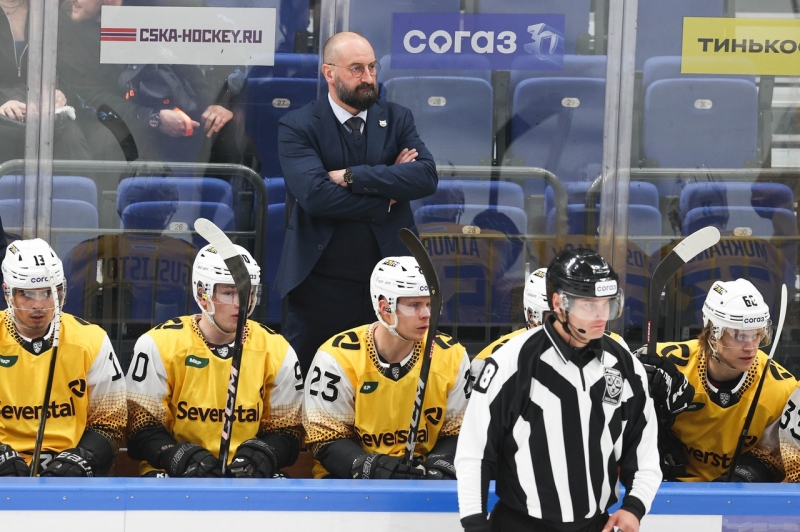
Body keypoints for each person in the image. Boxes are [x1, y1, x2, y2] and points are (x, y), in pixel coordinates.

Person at [455, 248, 661, 532]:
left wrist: (635, 506)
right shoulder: (510, 363)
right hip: (520, 525)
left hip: (595, 525)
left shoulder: (625, 365)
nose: (601, 315)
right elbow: (474, 452)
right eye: (588, 305)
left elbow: (644, 448)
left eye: (607, 304)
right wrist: (475, 524)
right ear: (558, 303)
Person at [276, 31, 437, 376]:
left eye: (372, 67)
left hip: (390, 281)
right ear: (329, 73)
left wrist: (352, 176)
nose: (368, 77)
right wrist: (388, 195)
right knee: (307, 379)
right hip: (319, 285)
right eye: (356, 69)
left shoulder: (397, 118)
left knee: (389, 379)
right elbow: (316, 196)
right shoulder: (298, 125)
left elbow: (425, 177)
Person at [125, 243, 304, 477]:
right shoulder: (158, 344)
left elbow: (288, 430)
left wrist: (263, 455)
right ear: (202, 294)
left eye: (248, 292)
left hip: (246, 475)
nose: (241, 303)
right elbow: (141, 428)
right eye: (229, 293)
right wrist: (178, 457)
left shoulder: (276, 349)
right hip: (175, 474)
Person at [303, 256, 470, 480]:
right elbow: (324, 440)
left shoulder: (451, 354)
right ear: (385, 307)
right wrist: (372, 467)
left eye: (430, 304)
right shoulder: (336, 357)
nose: (426, 314)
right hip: (349, 481)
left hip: (421, 478)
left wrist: (439, 466)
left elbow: (459, 431)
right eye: (414, 305)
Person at [640, 278, 796, 482]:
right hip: (666, 489)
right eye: (739, 336)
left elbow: (781, 458)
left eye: (758, 334)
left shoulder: (782, 389)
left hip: (736, 497)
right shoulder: (665, 362)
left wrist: (748, 475)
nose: (751, 347)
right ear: (712, 333)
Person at [0, 238, 126, 476]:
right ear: (8, 292)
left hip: (68, 471)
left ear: (61, 291)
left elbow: (112, 421)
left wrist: (83, 457)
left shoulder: (91, 339)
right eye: (27, 294)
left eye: (48, 293)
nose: (39, 305)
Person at [56, 0, 240, 163]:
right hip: (129, 122)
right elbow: (94, 98)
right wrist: (153, 118)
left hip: (188, 114)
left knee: (228, 130)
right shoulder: (65, 26)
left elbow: (230, 43)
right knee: (111, 139)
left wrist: (221, 102)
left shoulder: (164, 6)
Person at [0, 0, 92, 164]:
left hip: (47, 118)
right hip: (5, 119)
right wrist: (3, 103)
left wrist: (60, 95)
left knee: (72, 139)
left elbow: (77, 77)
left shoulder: (51, 12)